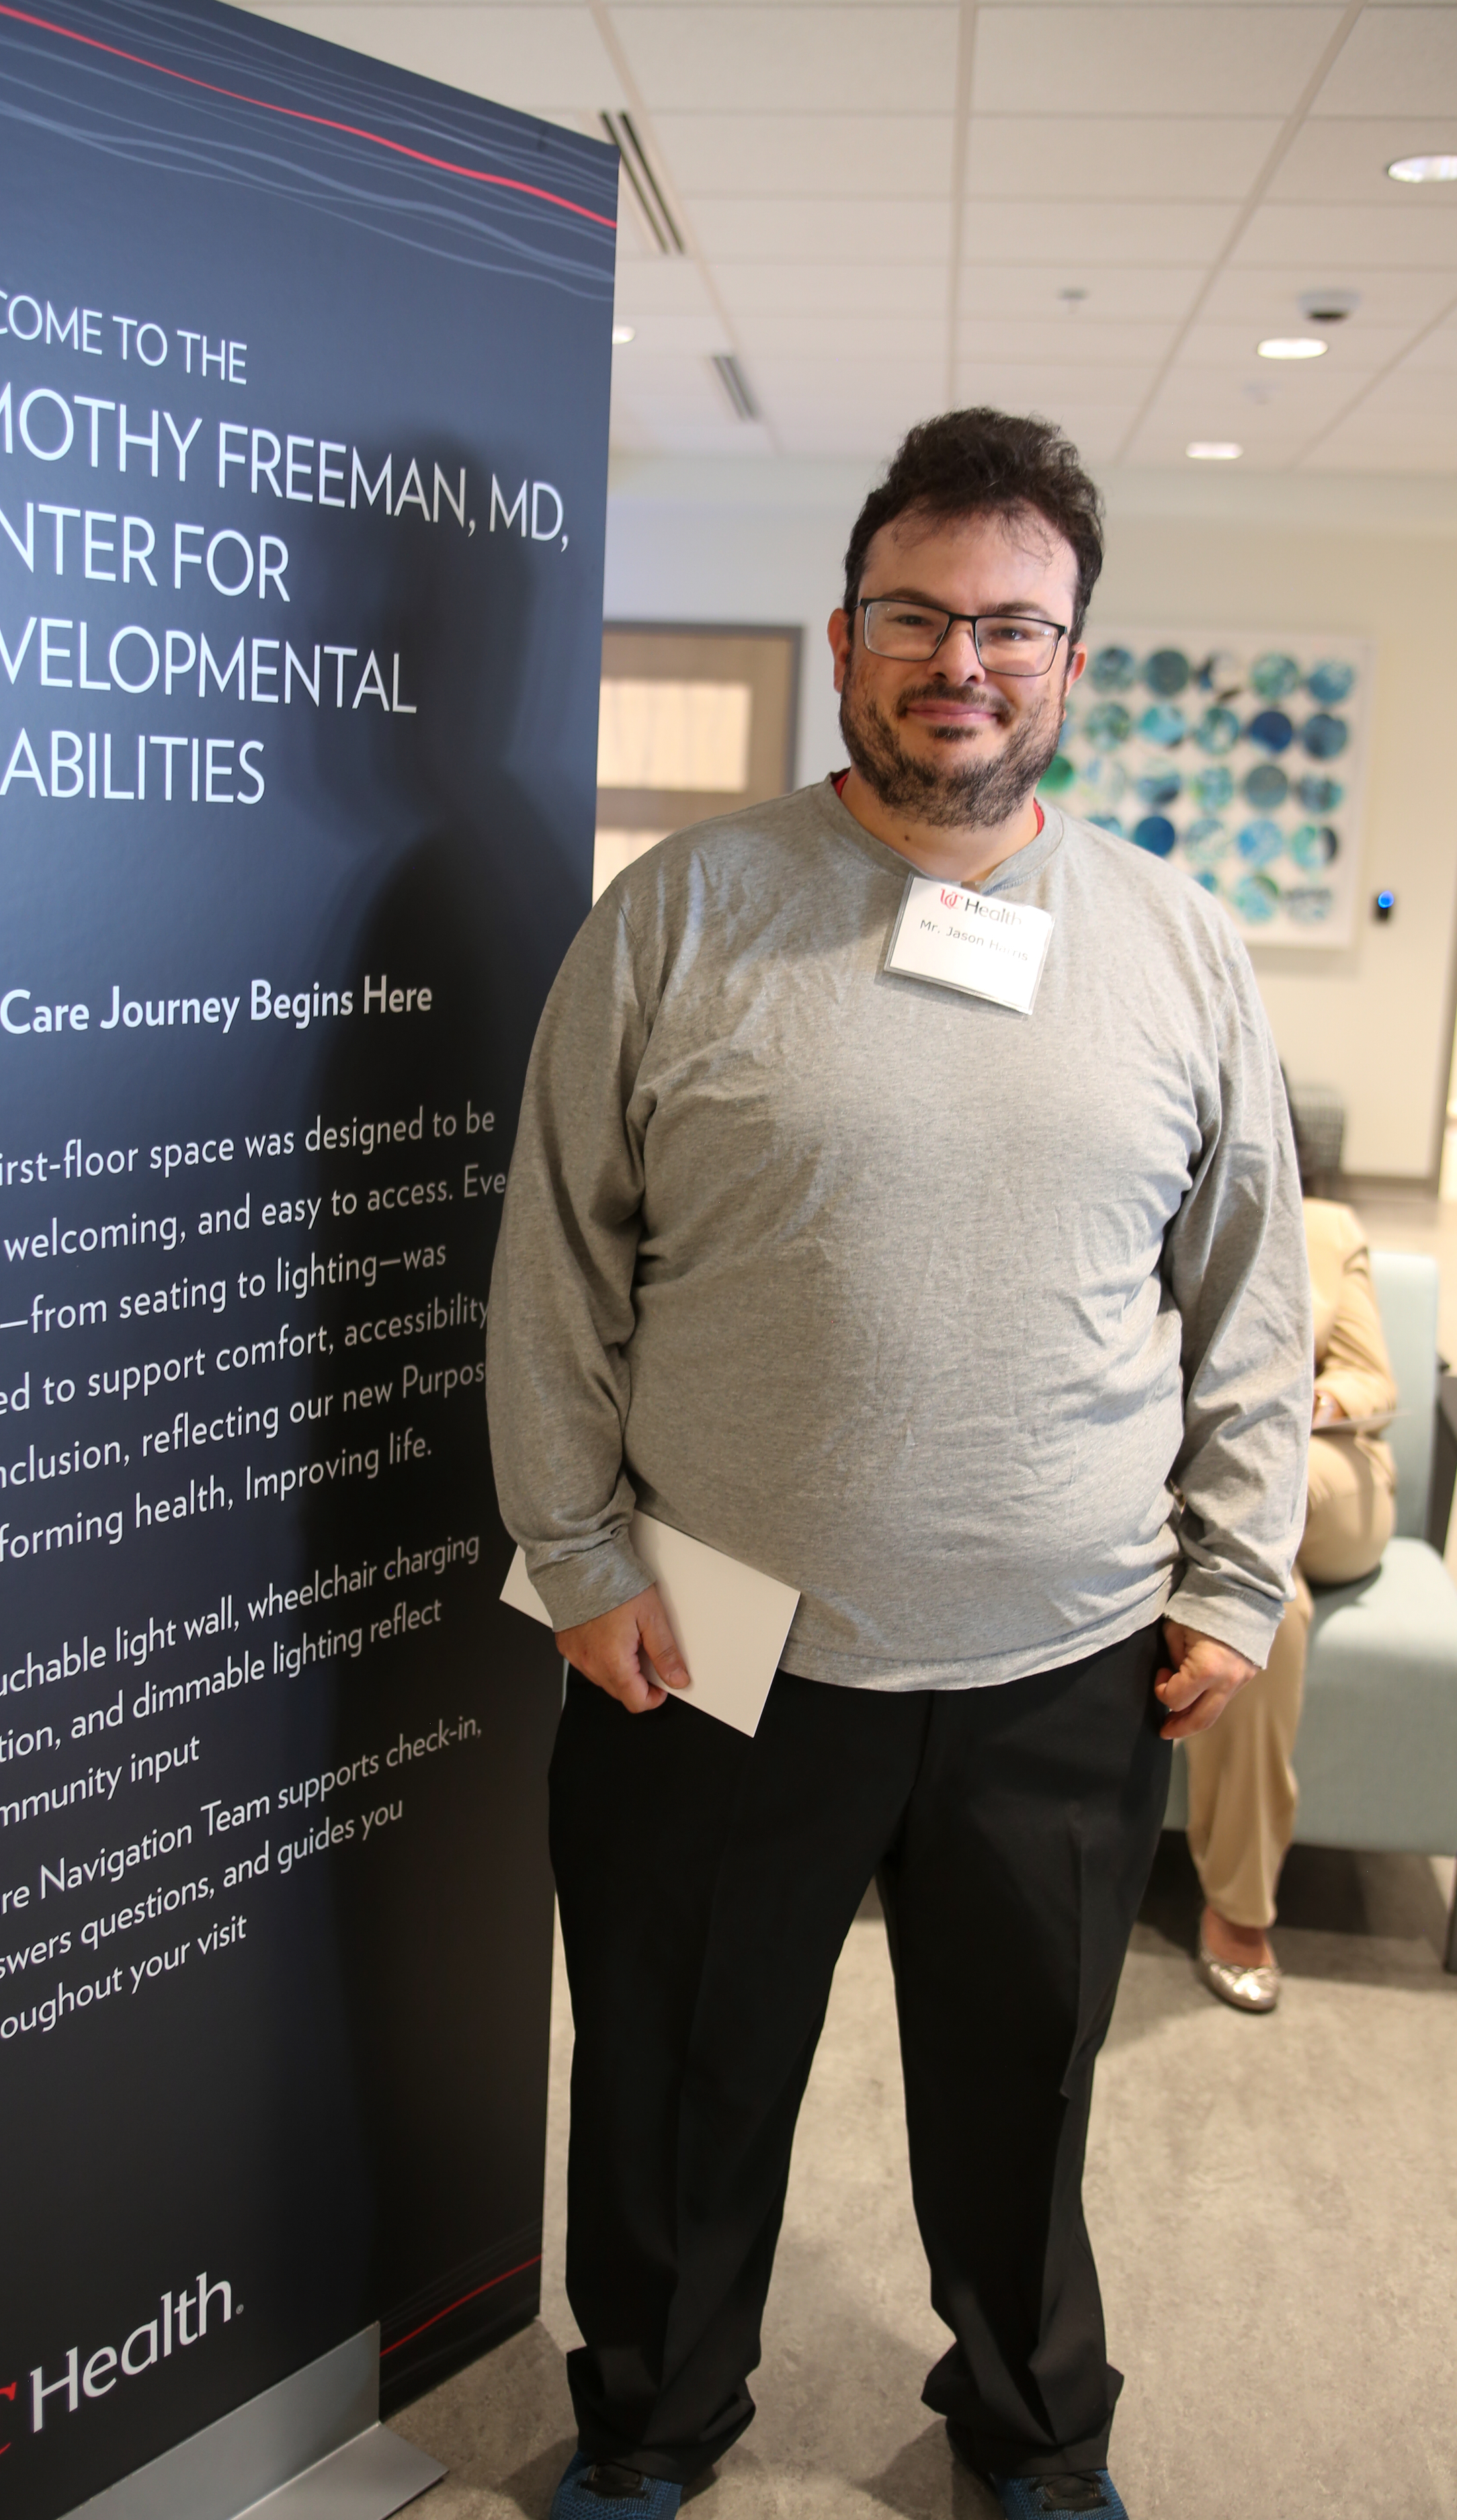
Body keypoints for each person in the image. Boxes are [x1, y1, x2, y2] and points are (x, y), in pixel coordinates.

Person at [487, 409, 1310, 2520]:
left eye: (1012, 625)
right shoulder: (676, 915)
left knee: (1018, 2093)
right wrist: (571, 1557)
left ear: (1069, 658)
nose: (963, 659)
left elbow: (1243, 1287)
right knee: (675, 2081)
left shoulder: (1172, 944)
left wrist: (1231, 1576)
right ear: (842, 629)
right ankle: (652, 2416)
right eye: (917, 614)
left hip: (1056, 1654)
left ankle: (1032, 2429)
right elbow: (555, 1264)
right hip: (710, 1638)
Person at [1188, 1170, 1396, 2011]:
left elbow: (1374, 1381)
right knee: (1268, 1613)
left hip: (1330, 1474)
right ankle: (1238, 1909)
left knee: (1269, 1494)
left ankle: (1241, 1567)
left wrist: (1305, 1403)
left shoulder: (1328, 1227)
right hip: (1220, 1484)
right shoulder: (1171, 1213)